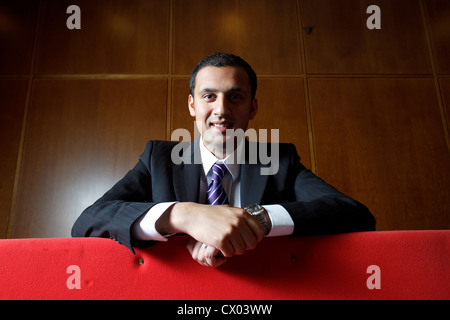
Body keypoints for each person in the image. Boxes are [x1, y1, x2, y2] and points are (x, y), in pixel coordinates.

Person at [72, 52, 375, 267]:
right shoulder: (159, 158)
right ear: (192, 105)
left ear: (252, 107)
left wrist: (256, 219)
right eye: (209, 96)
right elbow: (88, 221)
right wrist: (186, 216)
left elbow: (355, 215)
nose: (221, 110)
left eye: (235, 97)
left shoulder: (278, 159)